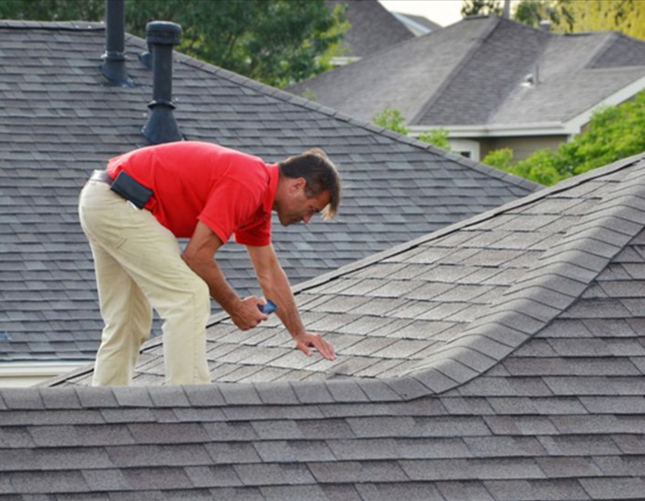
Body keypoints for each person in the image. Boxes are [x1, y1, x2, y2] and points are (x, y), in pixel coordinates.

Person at [78, 141, 340, 386]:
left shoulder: (258, 202)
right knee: (189, 296)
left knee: (127, 322)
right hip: (121, 204)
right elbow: (196, 257)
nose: (307, 220)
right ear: (296, 185)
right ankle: (190, 408)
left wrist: (298, 333)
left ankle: (103, 408)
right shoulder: (249, 183)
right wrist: (235, 308)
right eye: (311, 209)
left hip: (104, 199)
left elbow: (269, 272)